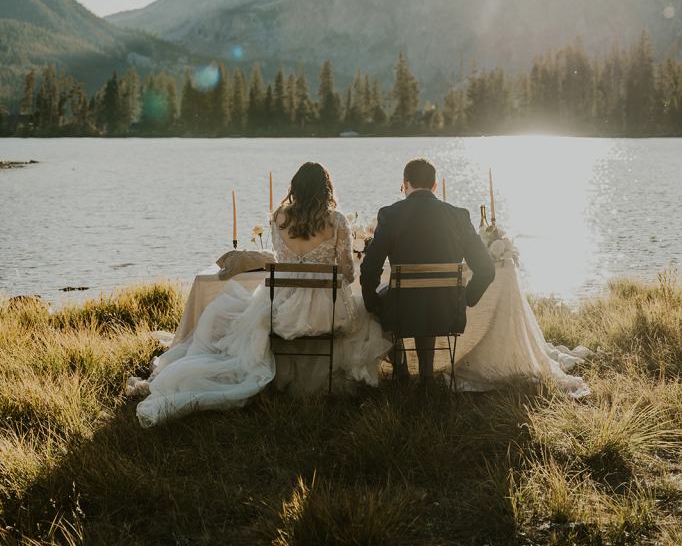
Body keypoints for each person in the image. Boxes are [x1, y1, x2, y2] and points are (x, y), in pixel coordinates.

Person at [134, 162, 390, 426]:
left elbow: (280, 258)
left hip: (280, 310)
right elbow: (347, 273)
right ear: (327, 189)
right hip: (327, 314)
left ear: (295, 187)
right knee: (367, 316)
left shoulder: (280, 217)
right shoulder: (337, 220)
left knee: (232, 313)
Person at [360, 157, 496, 379]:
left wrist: (370, 300)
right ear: (434, 186)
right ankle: (426, 375)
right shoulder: (459, 216)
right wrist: (465, 298)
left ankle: (401, 372)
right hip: (447, 310)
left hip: (401, 312)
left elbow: (369, 268)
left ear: (405, 184)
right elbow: (487, 269)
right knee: (427, 297)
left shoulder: (390, 215)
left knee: (383, 299)